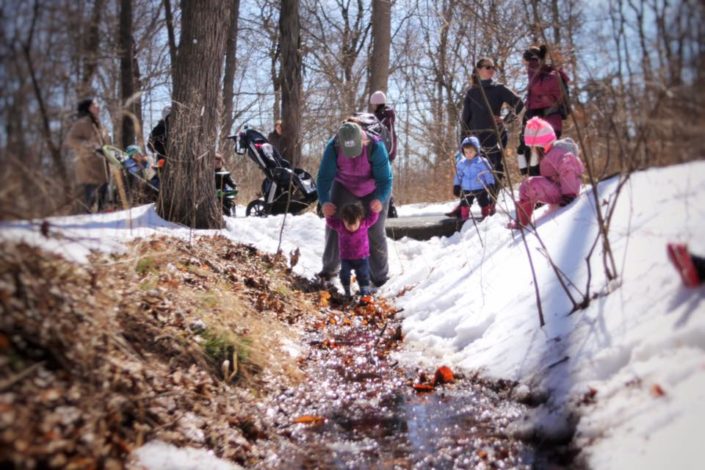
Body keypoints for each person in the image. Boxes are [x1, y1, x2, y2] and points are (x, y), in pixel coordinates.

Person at [316, 121, 393, 289]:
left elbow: (385, 180)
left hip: (373, 187)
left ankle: (379, 278)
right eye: (347, 151)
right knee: (335, 222)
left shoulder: (376, 146)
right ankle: (328, 272)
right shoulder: (333, 147)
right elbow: (323, 179)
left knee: (375, 229)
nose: (351, 155)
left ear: (363, 141)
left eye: (355, 151)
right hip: (344, 184)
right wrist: (325, 201)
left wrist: (380, 199)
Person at [508, 117, 584, 229]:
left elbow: (569, 168)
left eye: (534, 147)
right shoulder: (548, 154)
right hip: (557, 189)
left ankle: (522, 220)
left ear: (542, 144)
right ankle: (522, 219)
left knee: (531, 184)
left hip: (566, 192)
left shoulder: (559, 153)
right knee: (526, 186)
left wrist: (569, 194)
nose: (532, 150)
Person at [460, 57, 524, 181]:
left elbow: (519, 104)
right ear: (478, 70)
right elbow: (465, 119)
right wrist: (463, 142)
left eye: (493, 67)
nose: (491, 70)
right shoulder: (471, 92)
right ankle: (482, 199)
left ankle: (493, 197)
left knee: (494, 169)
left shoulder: (499, 88)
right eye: (487, 67)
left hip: (495, 135)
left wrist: (505, 120)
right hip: (475, 139)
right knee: (476, 172)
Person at [517, 45, 571, 176]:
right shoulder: (542, 76)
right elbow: (535, 99)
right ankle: (536, 187)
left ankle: (548, 189)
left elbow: (538, 89)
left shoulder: (551, 75)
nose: (526, 66)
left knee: (545, 161)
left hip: (549, 125)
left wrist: (533, 65)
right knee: (529, 155)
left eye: (527, 62)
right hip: (539, 125)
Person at [65, 98, 110, 213]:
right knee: (89, 200)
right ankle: (86, 223)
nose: (98, 107)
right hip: (88, 167)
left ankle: (102, 220)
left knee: (103, 199)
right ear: (88, 108)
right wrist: (90, 146)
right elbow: (70, 140)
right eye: (95, 105)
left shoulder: (99, 124)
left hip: (103, 168)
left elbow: (106, 144)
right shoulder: (82, 123)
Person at [325, 202, 380, 297]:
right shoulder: (340, 226)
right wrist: (328, 215)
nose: (352, 227)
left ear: (359, 219)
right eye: (348, 225)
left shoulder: (364, 224)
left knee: (363, 274)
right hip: (346, 258)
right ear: (343, 220)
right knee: (344, 274)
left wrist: (375, 211)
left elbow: (373, 218)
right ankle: (347, 291)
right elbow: (331, 222)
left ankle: (364, 291)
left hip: (362, 257)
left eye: (354, 224)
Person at [370, 90, 399, 218]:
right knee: (386, 179)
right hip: (390, 152)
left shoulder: (379, 118)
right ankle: (390, 209)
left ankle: (389, 209)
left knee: (382, 180)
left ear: (375, 104)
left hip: (383, 154)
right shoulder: (389, 116)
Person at [452, 136, 496, 221]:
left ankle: (486, 218)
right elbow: (458, 175)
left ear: (476, 151)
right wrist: (456, 185)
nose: (468, 154)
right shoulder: (461, 163)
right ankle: (464, 219)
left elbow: (488, 174)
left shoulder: (482, 162)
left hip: (480, 187)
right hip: (466, 189)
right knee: (465, 203)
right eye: (466, 152)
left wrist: (490, 184)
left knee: (484, 202)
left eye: (470, 152)